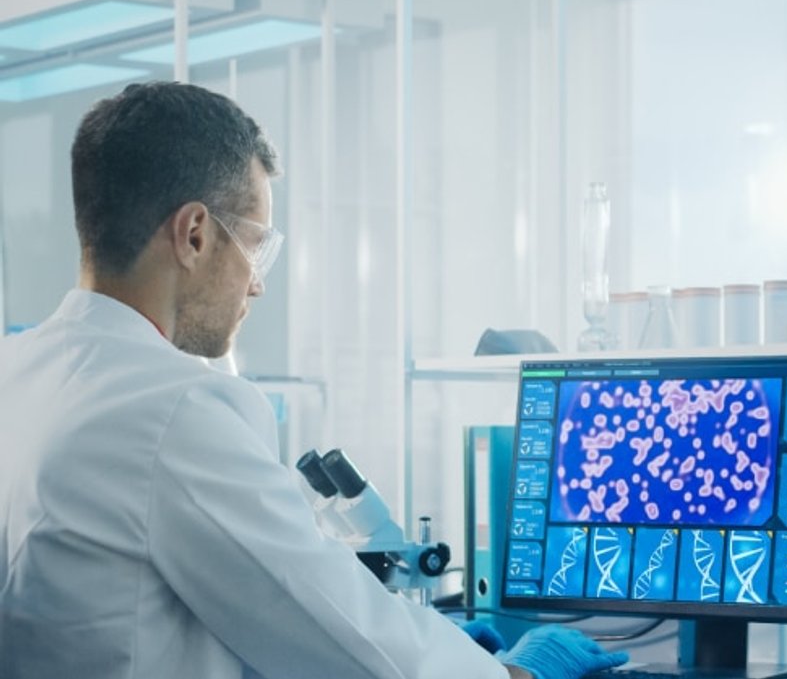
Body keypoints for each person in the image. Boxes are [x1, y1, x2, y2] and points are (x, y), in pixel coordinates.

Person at [0, 82, 627, 679]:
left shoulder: (19, 370)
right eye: (254, 246)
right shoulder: (174, 409)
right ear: (194, 235)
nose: (256, 283)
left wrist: (436, 644)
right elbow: (347, 639)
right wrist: (513, 671)